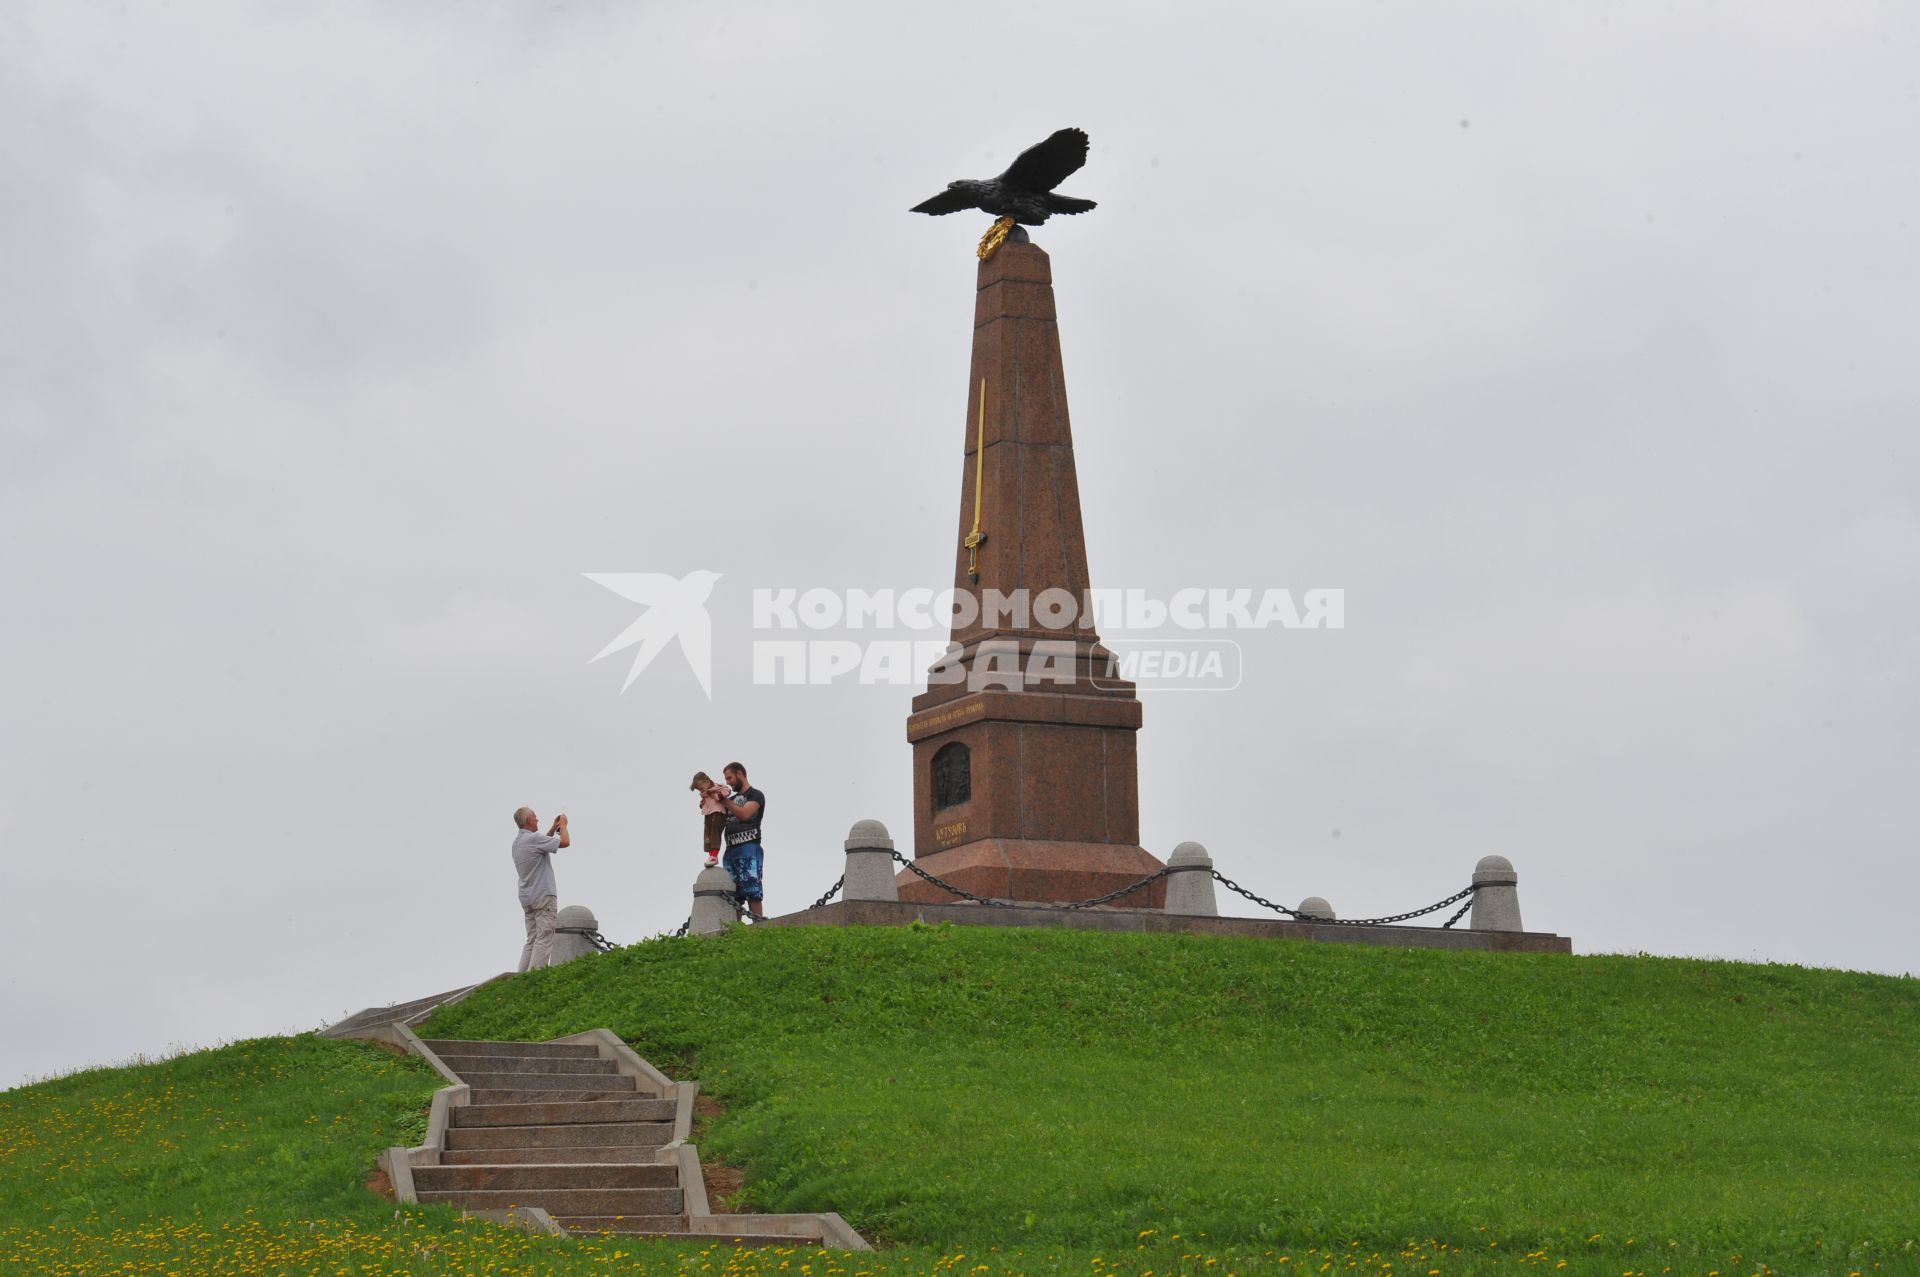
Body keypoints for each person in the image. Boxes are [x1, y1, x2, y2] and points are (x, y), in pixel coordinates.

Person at [511, 806, 569, 971]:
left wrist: (552, 829)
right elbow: (565, 842)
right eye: (535, 817)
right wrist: (563, 826)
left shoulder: (518, 843)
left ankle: (521, 977)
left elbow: (541, 844)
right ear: (529, 820)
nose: (537, 820)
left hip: (528, 897)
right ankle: (534, 977)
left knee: (532, 939)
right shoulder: (533, 839)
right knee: (544, 936)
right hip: (543, 895)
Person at [713, 761, 766, 918]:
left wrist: (724, 801)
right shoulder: (731, 800)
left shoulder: (755, 795)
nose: (728, 782)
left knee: (752, 890)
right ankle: (736, 932)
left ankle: (759, 926)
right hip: (730, 851)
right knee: (733, 896)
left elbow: (744, 814)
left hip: (748, 847)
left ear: (740, 774)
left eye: (730, 778)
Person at [690, 771, 732, 868]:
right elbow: (703, 803)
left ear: (707, 781)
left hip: (718, 813)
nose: (701, 791)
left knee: (714, 833)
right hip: (708, 814)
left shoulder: (716, 787)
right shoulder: (705, 794)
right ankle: (711, 856)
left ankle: (714, 856)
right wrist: (702, 802)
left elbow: (727, 791)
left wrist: (716, 796)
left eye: (701, 788)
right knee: (707, 836)